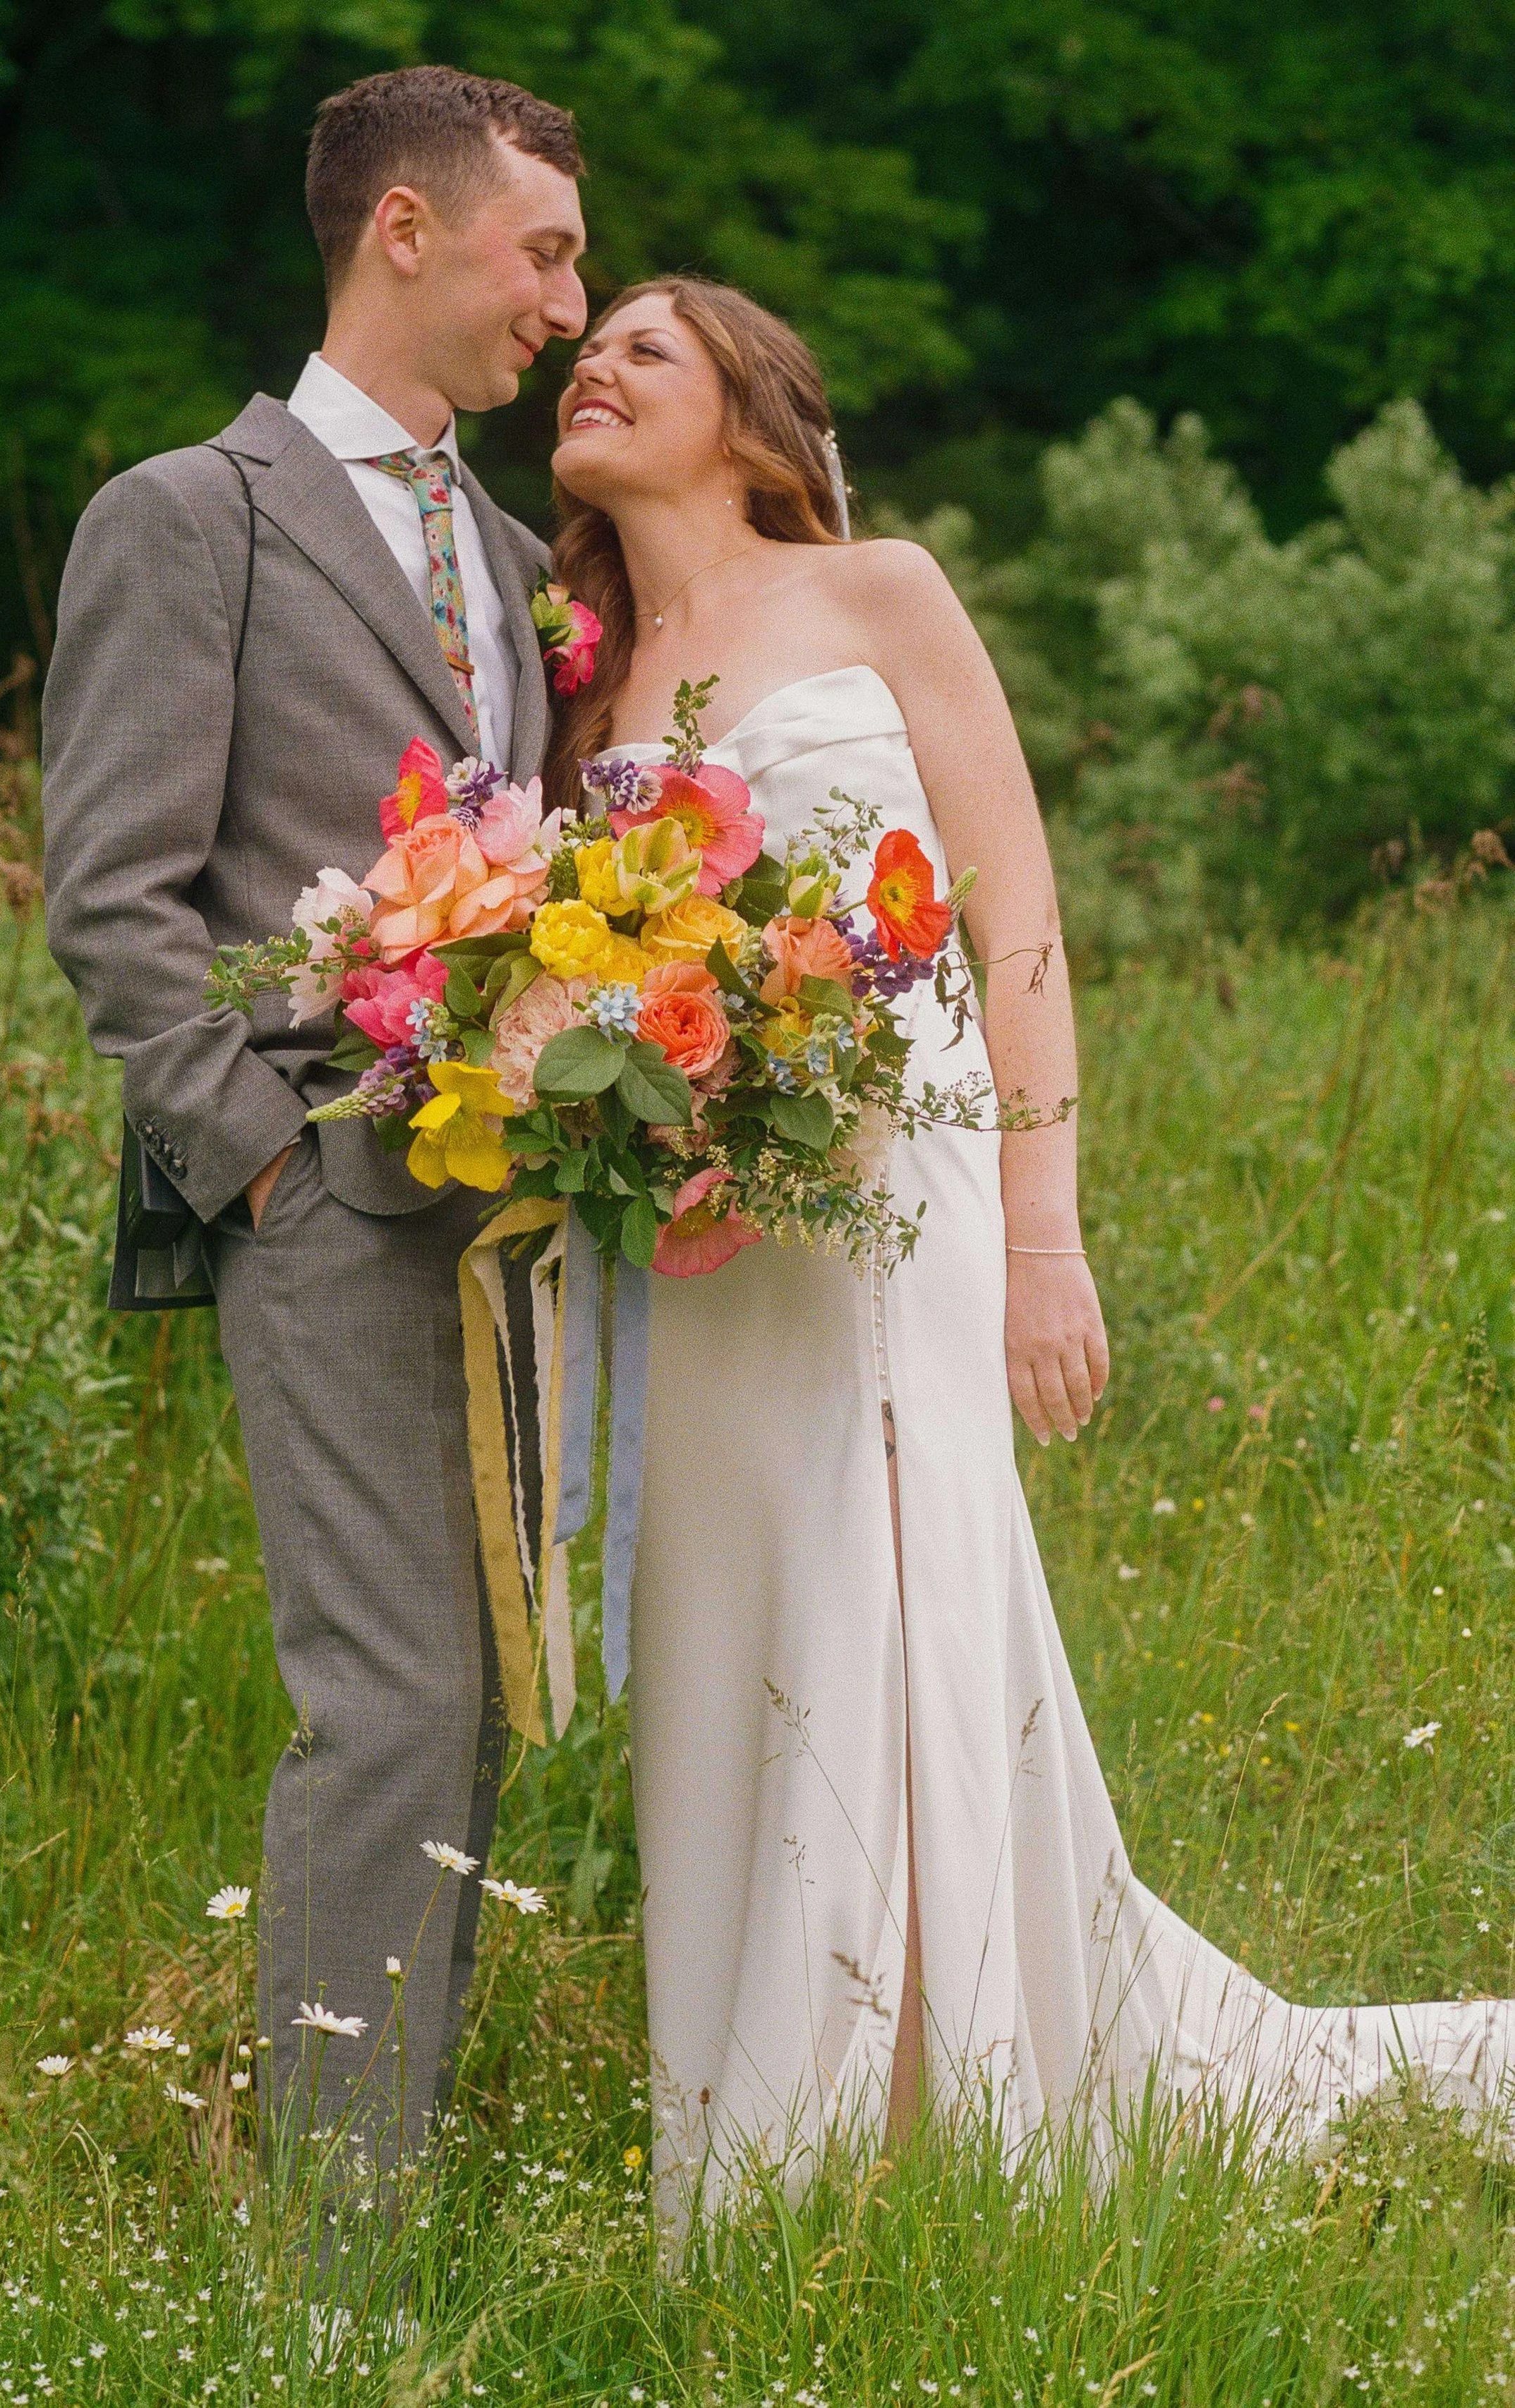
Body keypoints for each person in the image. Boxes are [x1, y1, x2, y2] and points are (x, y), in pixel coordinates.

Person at [546, 275, 1515, 2244]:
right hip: (711, 1245)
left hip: (903, 1205)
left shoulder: (881, 591)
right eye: (586, 340)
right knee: (738, 1622)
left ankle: (922, 2099)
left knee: (897, 1595)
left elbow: (1015, 918)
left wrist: (1045, 1235)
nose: (597, 361)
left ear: (750, 413)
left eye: (649, 345)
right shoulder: (589, 671)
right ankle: (761, 2095)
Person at [42, 65, 588, 2165]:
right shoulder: (193, 515)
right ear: (405, 231)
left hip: (507, 1213)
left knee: (473, 1708)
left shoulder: (519, 552)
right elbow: (115, 895)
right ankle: (329, 2278)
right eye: (542, 248)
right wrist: (258, 1164)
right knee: (387, 1706)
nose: (567, 296)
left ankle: (396, 2180)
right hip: (321, 1201)